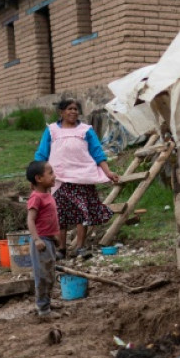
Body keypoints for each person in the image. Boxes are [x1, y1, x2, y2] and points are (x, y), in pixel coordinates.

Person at [34, 98, 120, 258]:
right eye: (70, 109)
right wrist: (36, 176)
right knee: (60, 214)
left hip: (82, 177)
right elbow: (41, 154)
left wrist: (108, 172)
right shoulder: (52, 130)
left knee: (82, 212)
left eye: (76, 109)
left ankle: (80, 247)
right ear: (61, 112)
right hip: (59, 178)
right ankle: (61, 249)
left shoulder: (86, 130)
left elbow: (97, 153)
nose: (73, 111)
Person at [25, 160, 63, 319]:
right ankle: (43, 310)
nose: (54, 176)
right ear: (39, 178)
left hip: (48, 240)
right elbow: (30, 220)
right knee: (42, 276)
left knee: (50, 274)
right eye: (50, 173)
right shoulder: (36, 197)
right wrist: (36, 240)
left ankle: (46, 302)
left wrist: (54, 237)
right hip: (41, 242)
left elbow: (48, 219)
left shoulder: (47, 195)